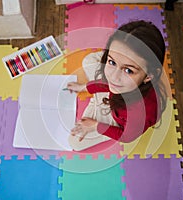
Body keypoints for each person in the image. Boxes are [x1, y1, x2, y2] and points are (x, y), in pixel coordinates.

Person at [67, 20, 167, 151]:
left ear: (149, 75)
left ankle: (98, 100)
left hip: (116, 118)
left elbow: (126, 136)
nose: (113, 77)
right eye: (111, 62)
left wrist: (95, 125)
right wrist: (83, 88)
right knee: (89, 61)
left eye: (128, 70)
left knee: (75, 143)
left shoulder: (140, 113)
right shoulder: (117, 81)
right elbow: (106, 83)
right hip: (113, 96)